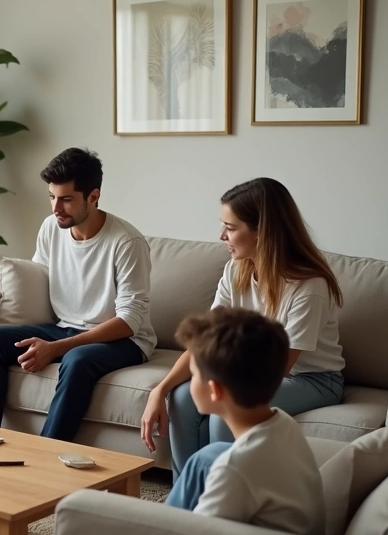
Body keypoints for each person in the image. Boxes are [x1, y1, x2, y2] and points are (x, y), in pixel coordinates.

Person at [141, 177, 345, 477]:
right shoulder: (236, 269)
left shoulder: (309, 286)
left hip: (312, 379)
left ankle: (222, 494)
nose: (221, 235)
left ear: (262, 232)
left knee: (227, 405)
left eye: (231, 227)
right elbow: (205, 341)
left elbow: (279, 367)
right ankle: (187, 496)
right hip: (249, 370)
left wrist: (219, 383)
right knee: (181, 397)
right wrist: (159, 390)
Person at [0, 147, 156, 441]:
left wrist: (56, 348)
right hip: (64, 327)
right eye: (52, 197)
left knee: (77, 359)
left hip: (124, 340)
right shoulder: (51, 227)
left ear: (93, 197)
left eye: (67, 200)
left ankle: (48, 453)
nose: (56, 208)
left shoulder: (126, 242)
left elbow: (130, 320)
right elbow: (40, 275)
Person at [163, 307, 325, 535]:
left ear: (214, 390)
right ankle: (167, 519)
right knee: (207, 456)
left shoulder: (234, 471)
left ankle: (161, 526)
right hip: (295, 534)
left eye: (193, 374)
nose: (190, 382)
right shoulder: (283, 424)